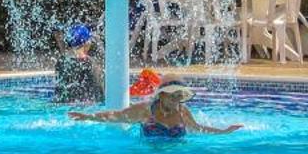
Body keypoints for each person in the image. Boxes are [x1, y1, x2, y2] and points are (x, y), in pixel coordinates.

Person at [68, 82, 241, 137]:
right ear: (162, 96)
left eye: (179, 97)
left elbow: (198, 129)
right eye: (173, 96)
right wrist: (88, 116)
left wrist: (224, 132)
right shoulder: (145, 111)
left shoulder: (182, 112)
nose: (177, 101)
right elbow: (116, 116)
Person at [52, 23, 106, 104]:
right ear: (86, 43)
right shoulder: (90, 63)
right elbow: (100, 91)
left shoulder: (61, 62)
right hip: (86, 106)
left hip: (64, 104)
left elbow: (59, 92)